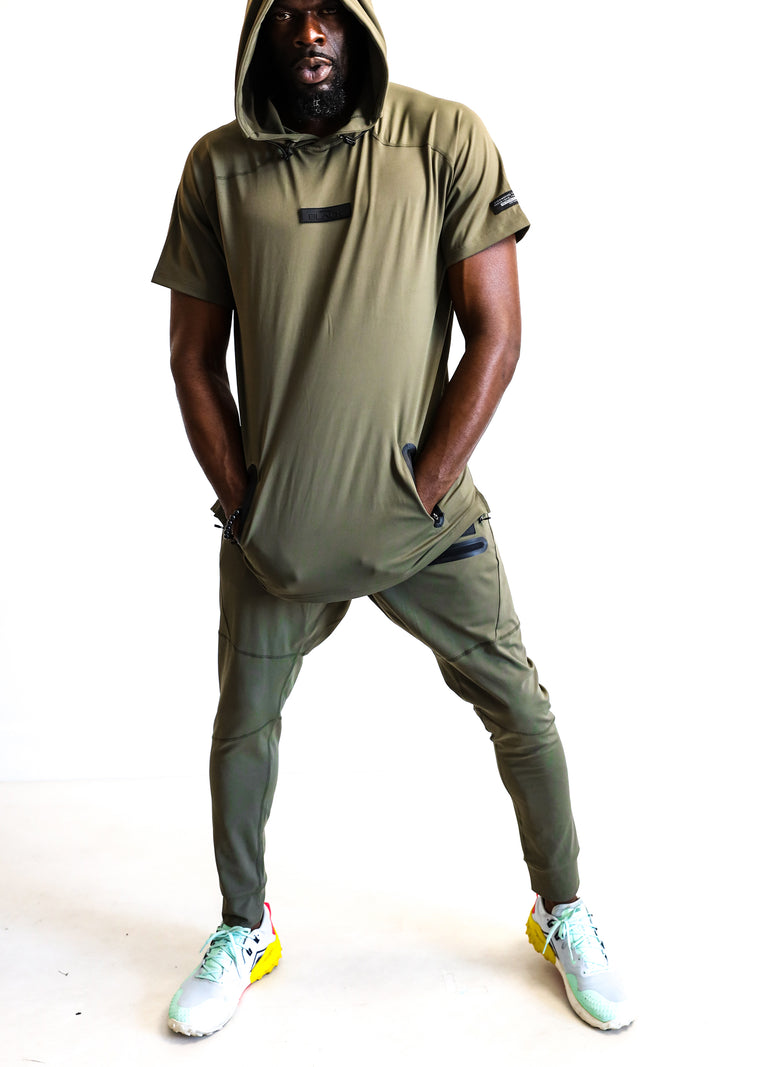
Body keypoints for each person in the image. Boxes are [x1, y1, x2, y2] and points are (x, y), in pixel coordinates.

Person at [153, 0, 633, 1038]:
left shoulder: (442, 136)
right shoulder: (217, 168)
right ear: (260, 31)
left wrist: (422, 486)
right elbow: (191, 357)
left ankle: (562, 910)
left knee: (520, 705)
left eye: (330, 12)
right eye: (289, 13)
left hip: (428, 525)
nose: (311, 31)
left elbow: (496, 332)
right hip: (279, 539)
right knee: (242, 726)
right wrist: (244, 503)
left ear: (359, 25)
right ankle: (245, 924)